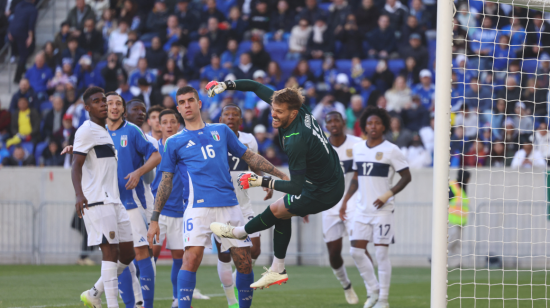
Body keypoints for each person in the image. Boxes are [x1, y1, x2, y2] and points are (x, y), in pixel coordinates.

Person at [147, 86, 284, 308]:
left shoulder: (221, 130)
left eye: (190, 100)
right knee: (191, 259)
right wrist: (154, 219)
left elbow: (250, 156)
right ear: (179, 108)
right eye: (181, 102)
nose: (187, 105)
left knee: (244, 262)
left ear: (199, 103)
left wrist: (279, 175)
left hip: (230, 206)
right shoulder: (174, 142)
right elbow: (165, 181)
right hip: (197, 208)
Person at [207, 79, 345, 289]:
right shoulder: (300, 110)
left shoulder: (296, 139)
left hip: (323, 190)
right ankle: (277, 269)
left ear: (292, 114)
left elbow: (296, 187)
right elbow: (254, 86)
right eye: (273, 109)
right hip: (328, 177)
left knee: (276, 209)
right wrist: (227, 85)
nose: (273, 114)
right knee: (282, 211)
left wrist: (260, 180)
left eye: (279, 112)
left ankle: (237, 233)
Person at [340, 106, 411, 308]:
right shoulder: (359, 148)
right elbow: (356, 177)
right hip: (362, 210)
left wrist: (387, 194)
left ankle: (384, 300)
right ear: (364, 126)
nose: (373, 126)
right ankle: (373, 290)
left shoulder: (391, 150)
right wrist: (346, 200)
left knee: (381, 254)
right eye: (369, 123)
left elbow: (407, 177)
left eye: (377, 123)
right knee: (355, 252)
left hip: (383, 211)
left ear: (384, 126)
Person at [71, 87, 135, 308]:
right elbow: (76, 165)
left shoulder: (104, 131)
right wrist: (79, 194)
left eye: (104, 101)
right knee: (110, 252)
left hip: (114, 200)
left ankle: (94, 293)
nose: (103, 104)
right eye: (97, 101)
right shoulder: (86, 130)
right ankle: (112, 305)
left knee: (127, 254)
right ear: (88, 108)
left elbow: (88, 155)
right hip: (96, 200)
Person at [216, 104, 274, 308]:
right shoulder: (212, 137)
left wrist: (266, 181)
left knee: (255, 250)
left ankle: (237, 279)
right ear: (220, 118)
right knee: (224, 255)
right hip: (220, 207)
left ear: (241, 119)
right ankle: (232, 302)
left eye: (235, 114)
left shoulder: (249, 140)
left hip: (244, 205)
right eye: (227, 114)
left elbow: (255, 163)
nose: (230, 117)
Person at [322, 111, 362, 304]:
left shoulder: (357, 144)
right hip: (329, 205)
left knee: (358, 248)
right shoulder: (320, 146)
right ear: (326, 126)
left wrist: (346, 201)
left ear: (344, 122)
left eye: (336, 119)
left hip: (353, 201)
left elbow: (359, 175)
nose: (333, 123)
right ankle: (346, 285)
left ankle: (374, 290)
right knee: (334, 253)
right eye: (329, 121)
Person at [150, 109, 188, 308]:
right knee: (150, 257)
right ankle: (144, 300)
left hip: (181, 212)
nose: (169, 125)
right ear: (159, 126)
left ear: (178, 124)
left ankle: (177, 300)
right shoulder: (153, 148)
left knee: (179, 258)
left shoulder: (185, 146)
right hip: (159, 213)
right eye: (165, 122)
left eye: (173, 121)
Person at [8, 0, 37, 83]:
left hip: (13, 31)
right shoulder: (33, 9)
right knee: (24, 55)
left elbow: (14, 18)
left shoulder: (19, 5)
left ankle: (24, 69)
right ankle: (17, 78)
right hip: (22, 32)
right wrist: (30, 37)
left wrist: (10, 31)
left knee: (21, 53)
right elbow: (31, 24)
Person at [447, 171, 470, 268]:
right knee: (452, 240)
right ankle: (437, 256)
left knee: (457, 243)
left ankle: (456, 262)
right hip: (453, 219)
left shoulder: (462, 188)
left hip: (461, 220)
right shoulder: (453, 186)